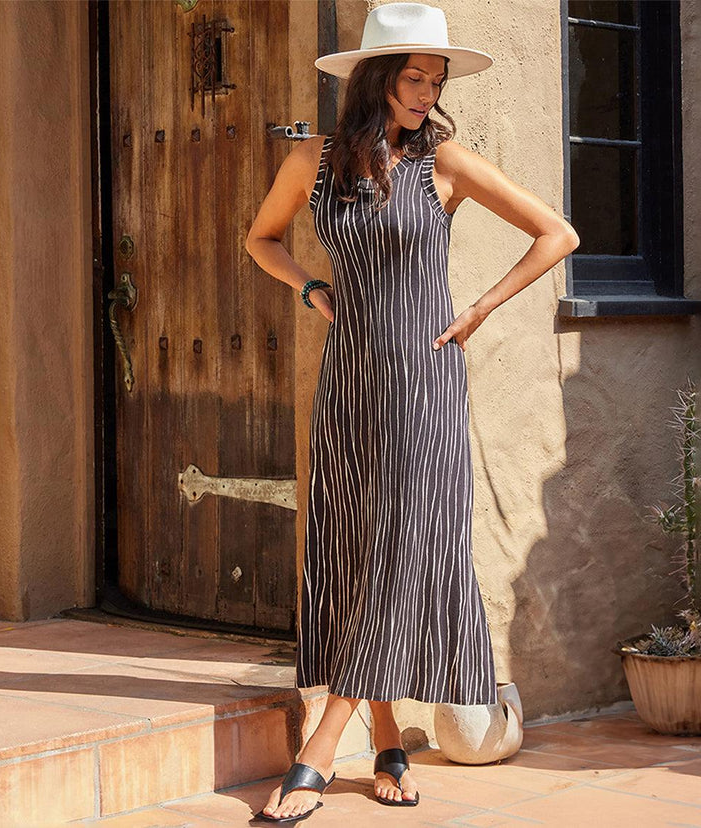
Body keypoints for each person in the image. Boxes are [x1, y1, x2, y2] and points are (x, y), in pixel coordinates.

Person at [245, 2, 579, 822]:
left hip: (425, 389)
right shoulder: (313, 163)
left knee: (399, 548)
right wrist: (311, 287)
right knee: (360, 548)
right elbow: (262, 240)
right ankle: (388, 735)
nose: (429, 91)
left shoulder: (446, 166)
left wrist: (479, 311)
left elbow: (556, 234)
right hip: (351, 385)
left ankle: (321, 749)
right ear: (375, 80)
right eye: (415, 76)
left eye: (437, 79)